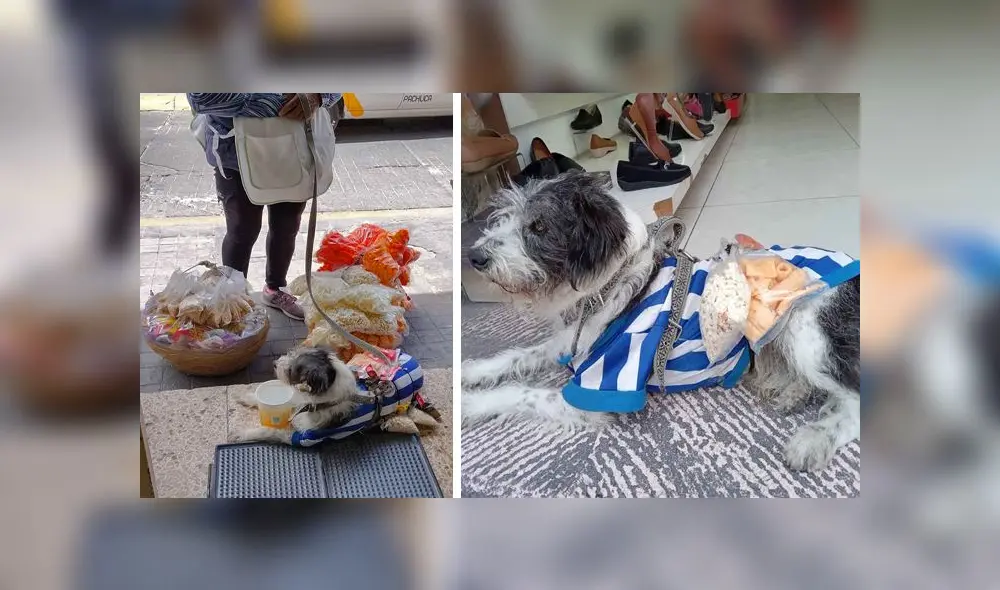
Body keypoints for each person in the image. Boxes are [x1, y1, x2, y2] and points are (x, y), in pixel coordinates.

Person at [186, 93, 341, 321]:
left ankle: (275, 289)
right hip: (235, 153)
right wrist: (279, 101)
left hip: (294, 148)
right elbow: (202, 98)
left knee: (287, 225)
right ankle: (234, 301)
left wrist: (318, 95)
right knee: (242, 229)